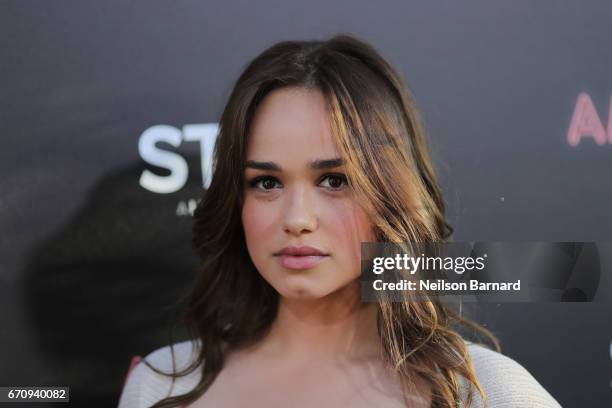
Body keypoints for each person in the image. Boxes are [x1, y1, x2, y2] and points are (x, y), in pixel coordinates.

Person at [118, 34, 561, 408]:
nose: (297, 219)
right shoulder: (163, 385)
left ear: (389, 191)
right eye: (267, 182)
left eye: (334, 180)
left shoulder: (484, 391)